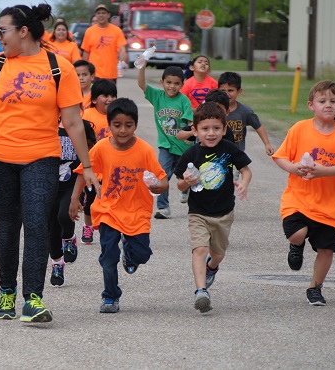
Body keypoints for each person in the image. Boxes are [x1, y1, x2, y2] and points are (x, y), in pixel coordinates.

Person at [0, 3, 99, 324]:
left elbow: (74, 122)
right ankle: (6, 292)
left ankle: (33, 299)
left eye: (2, 31)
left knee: (38, 223)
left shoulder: (58, 66)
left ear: (23, 32)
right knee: (8, 225)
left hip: (41, 157)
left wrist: (88, 165)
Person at [70, 98, 167, 313]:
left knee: (142, 255)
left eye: (128, 125)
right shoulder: (102, 148)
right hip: (109, 210)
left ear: (136, 125)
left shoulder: (145, 150)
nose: (123, 130)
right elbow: (83, 171)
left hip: (137, 211)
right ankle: (110, 296)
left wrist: (158, 186)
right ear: (110, 124)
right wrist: (74, 198)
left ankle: (130, 256)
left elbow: (163, 180)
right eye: (117, 125)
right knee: (108, 257)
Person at [272, 80, 335, 306]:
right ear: (311, 105)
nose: (328, 105)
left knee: (326, 248)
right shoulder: (299, 128)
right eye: (322, 101)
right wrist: (293, 168)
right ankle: (296, 245)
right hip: (298, 198)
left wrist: (324, 171)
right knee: (297, 233)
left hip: (329, 204)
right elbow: (280, 157)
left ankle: (315, 287)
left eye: (334, 101)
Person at [173, 102, 252, 313]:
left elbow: (246, 170)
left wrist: (244, 183)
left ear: (224, 129)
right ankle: (201, 291)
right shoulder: (191, 155)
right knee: (199, 249)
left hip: (224, 213)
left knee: (218, 253)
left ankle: (212, 267)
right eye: (205, 129)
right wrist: (186, 183)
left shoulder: (229, 149)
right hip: (198, 212)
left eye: (216, 128)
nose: (211, 133)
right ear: (195, 131)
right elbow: (179, 183)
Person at [137, 61, 193, 220]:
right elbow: (141, 84)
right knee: (163, 175)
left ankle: (186, 189)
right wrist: (142, 66)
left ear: (182, 84)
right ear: (162, 82)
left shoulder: (184, 101)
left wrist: (191, 135)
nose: (172, 86)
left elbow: (190, 124)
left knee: (184, 176)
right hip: (165, 146)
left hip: (184, 147)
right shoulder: (157, 96)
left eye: (176, 83)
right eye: (168, 82)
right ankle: (163, 207)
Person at [48, 117, 96, 287]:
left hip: (71, 184)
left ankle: (69, 237)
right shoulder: (47, 125)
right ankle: (57, 263)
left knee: (63, 215)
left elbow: (91, 148)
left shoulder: (80, 125)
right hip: (49, 185)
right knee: (51, 229)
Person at [80, 79, 117, 243]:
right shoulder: (87, 115)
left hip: (112, 166)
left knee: (112, 199)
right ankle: (88, 227)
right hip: (93, 166)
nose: (109, 99)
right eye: (105, 96)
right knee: (90, 202)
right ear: (94, 99)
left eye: (113, 96)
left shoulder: (117, 116)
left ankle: (112, 227)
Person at [217, 72, 274, 155]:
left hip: (237, 153)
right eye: (223, 90)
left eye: (230, 90)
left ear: (239, 91)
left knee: (243, 168)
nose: (226, 94)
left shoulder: (245, 111)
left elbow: (258, 126)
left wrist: (267, 144)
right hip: (217, 152)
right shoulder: (214, 109)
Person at [81, 4, 128, 83]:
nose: (101, 15)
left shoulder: (116, 31)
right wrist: (85, 71)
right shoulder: (89, 31)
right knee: (94, 95)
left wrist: (123, 61)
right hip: (94, 75)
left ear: (108, 15)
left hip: (111, 75)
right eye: (99, 13)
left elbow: (122, 49)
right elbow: (86, 52)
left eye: (103, 13)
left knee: (110, 95)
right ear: (95, 15)